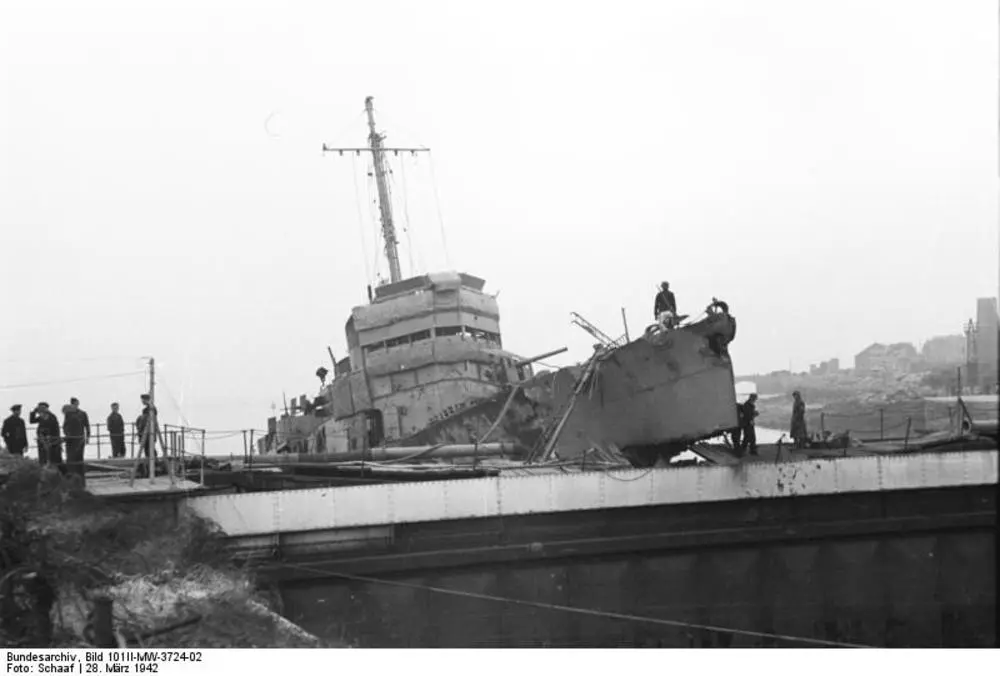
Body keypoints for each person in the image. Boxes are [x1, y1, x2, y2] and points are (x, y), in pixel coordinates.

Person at [29, 402, 64, 472]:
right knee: (43, 458)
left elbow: (54, 430)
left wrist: (52, 439)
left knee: (54, 459)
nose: (39, 412)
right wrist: (33, 412)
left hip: (52, 441)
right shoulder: (41, 417)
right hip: (42, 441)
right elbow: (32, 421)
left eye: (41, 410)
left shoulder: (52, 417)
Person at [62, 397, 90, 480]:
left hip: (79, 439)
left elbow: (86, 425)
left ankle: (79, 478)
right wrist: (67, 435)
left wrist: (88, 436)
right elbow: (65, 426)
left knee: (78, 459)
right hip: (71, 440)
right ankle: (73, 477)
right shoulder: (68, 414)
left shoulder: (82, 413)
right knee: (71, 459)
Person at [135, 393, 160, 469]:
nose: (142, 402)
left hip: (148, 433)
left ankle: (153, 465)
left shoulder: (150, 409)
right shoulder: (149, 409)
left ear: (146, 400)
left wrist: (140, 430)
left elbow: (146, 421)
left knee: (149, 449)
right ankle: (152, 465)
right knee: (149, 449)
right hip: (148, 433)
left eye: (143, 400)